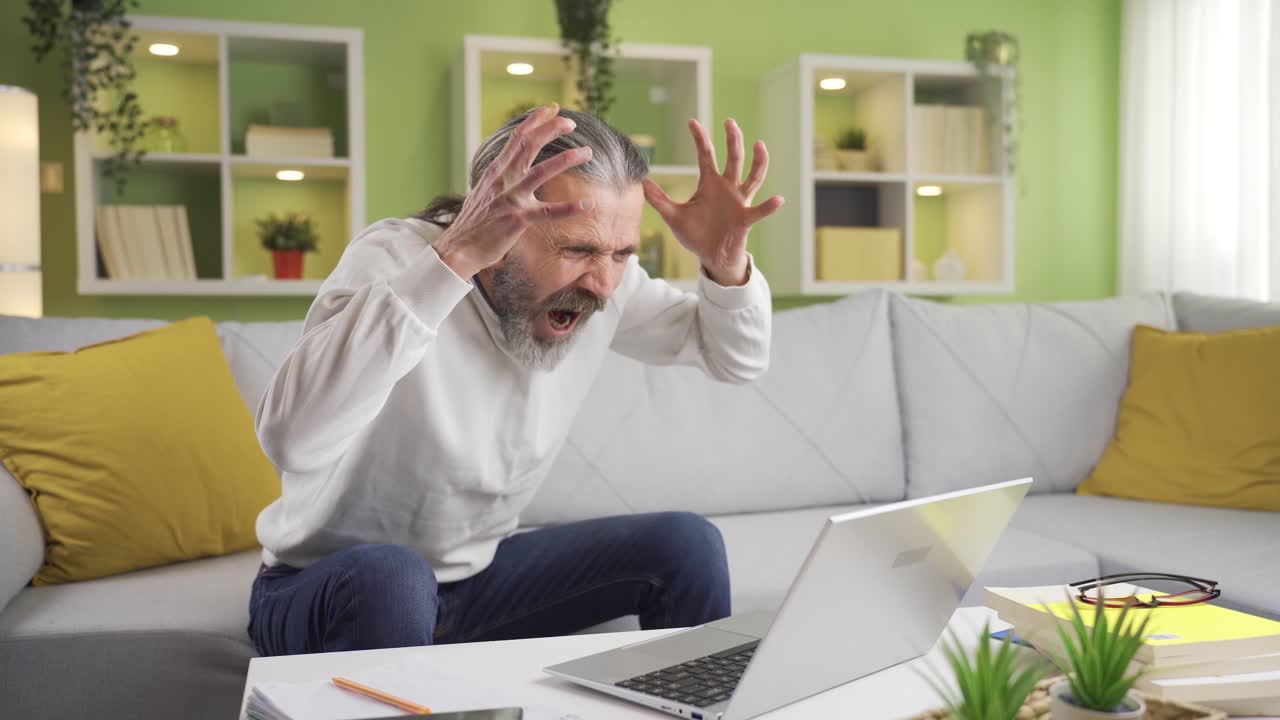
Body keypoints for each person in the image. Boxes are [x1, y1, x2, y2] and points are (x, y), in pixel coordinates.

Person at [247, 103, 784, 656]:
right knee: (393, 576)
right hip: (327, 587)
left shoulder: (608, 286)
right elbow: (291, 439)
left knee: (686, 545)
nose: (603, 282)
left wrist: (725, 262)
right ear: (499, 217)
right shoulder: (393, 259)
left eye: (622, 253)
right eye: (577, 249)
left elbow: (734, 358)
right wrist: (454, 258)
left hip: (478, 584)